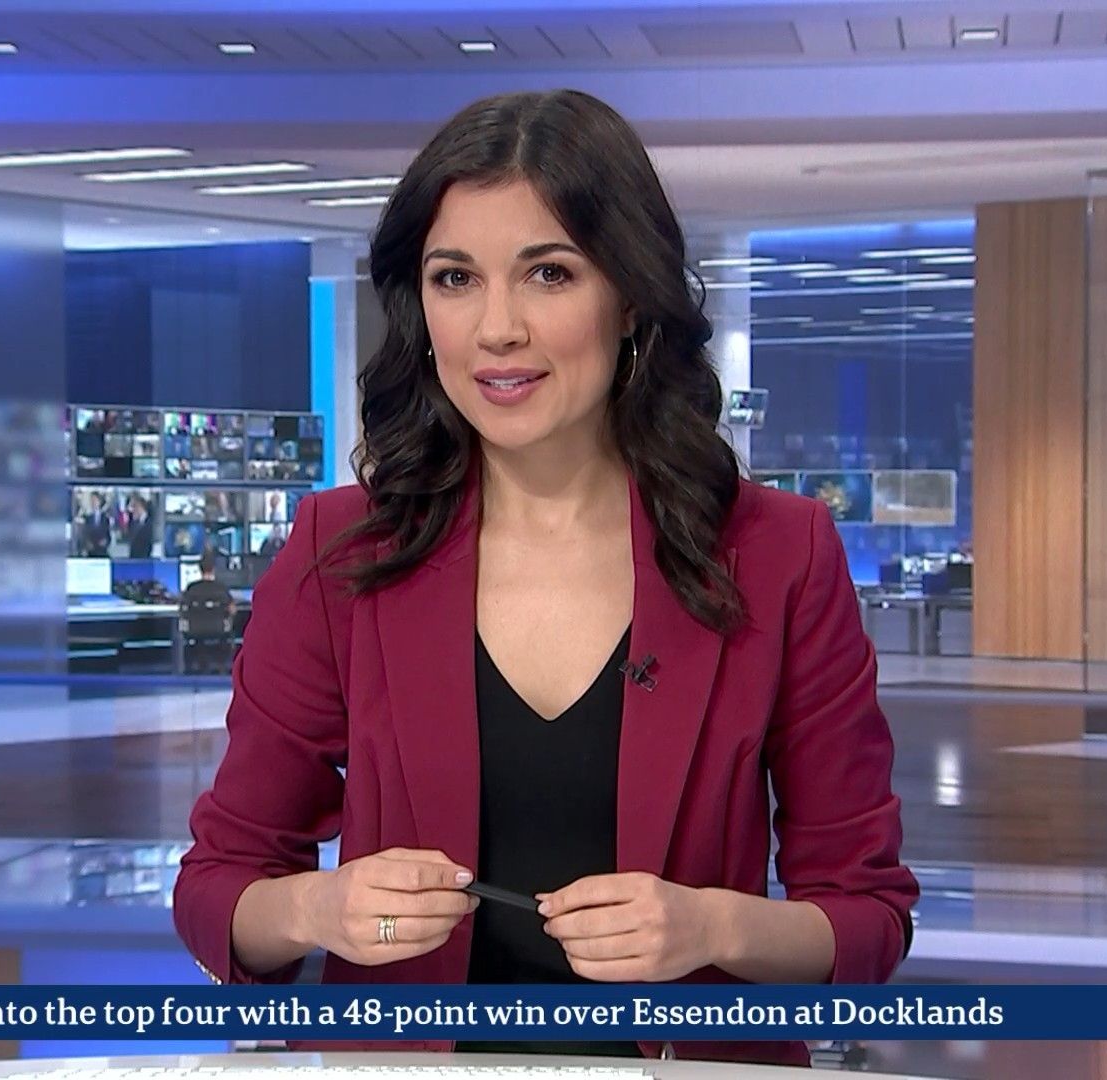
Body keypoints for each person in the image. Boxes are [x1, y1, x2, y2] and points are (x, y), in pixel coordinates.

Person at [173, 89, 915, 1068]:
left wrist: (714, 928)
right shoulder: (339, 551)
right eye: (455, 278)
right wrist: (321, 907)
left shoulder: (780, 552)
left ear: (631, 297)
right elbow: (217, 891)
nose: (497, 329)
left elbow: (867, 918)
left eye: (549, 274)